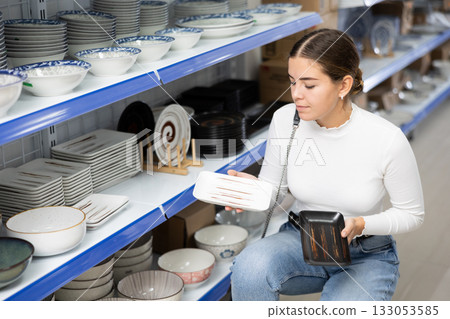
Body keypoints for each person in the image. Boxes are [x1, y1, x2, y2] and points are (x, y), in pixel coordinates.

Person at [227, 28, 425, 301]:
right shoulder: (286, 120)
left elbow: (412, 215)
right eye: (292, 81)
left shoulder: (387, 139)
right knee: (249, 269)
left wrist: (361, 224)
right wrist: (256, 192)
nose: (296, 94)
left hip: (365, 255)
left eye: (309, 85)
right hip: (300, 240)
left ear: (343, 85)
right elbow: (277, 189)